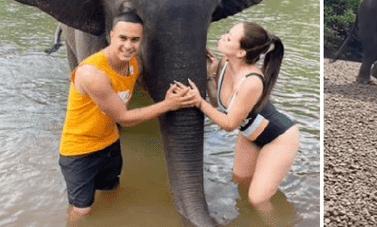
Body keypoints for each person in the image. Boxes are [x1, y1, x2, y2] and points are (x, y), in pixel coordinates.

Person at [58, 12, 192, 224]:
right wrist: (167, 105)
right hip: (80, 150)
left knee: (111, 190)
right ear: (111, 35)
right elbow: (125, 118)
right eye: (122, 38)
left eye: (134, 40)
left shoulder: (133, 65)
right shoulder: (92, 74)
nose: (128, 45)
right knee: (82, 210)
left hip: (110, 143)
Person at [176, 21, 299, 218]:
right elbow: (220, 106)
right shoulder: (224, 64)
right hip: (250, 134)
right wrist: (210, 77)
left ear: (241, 53)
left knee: (257, 199)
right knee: (240, 181)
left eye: (230, 38)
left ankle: (279, 222)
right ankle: (249, 220)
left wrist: (198, 101)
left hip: (278, 139)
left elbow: (229, 124)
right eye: (226, 33)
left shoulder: (251, 81)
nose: (223, 37)